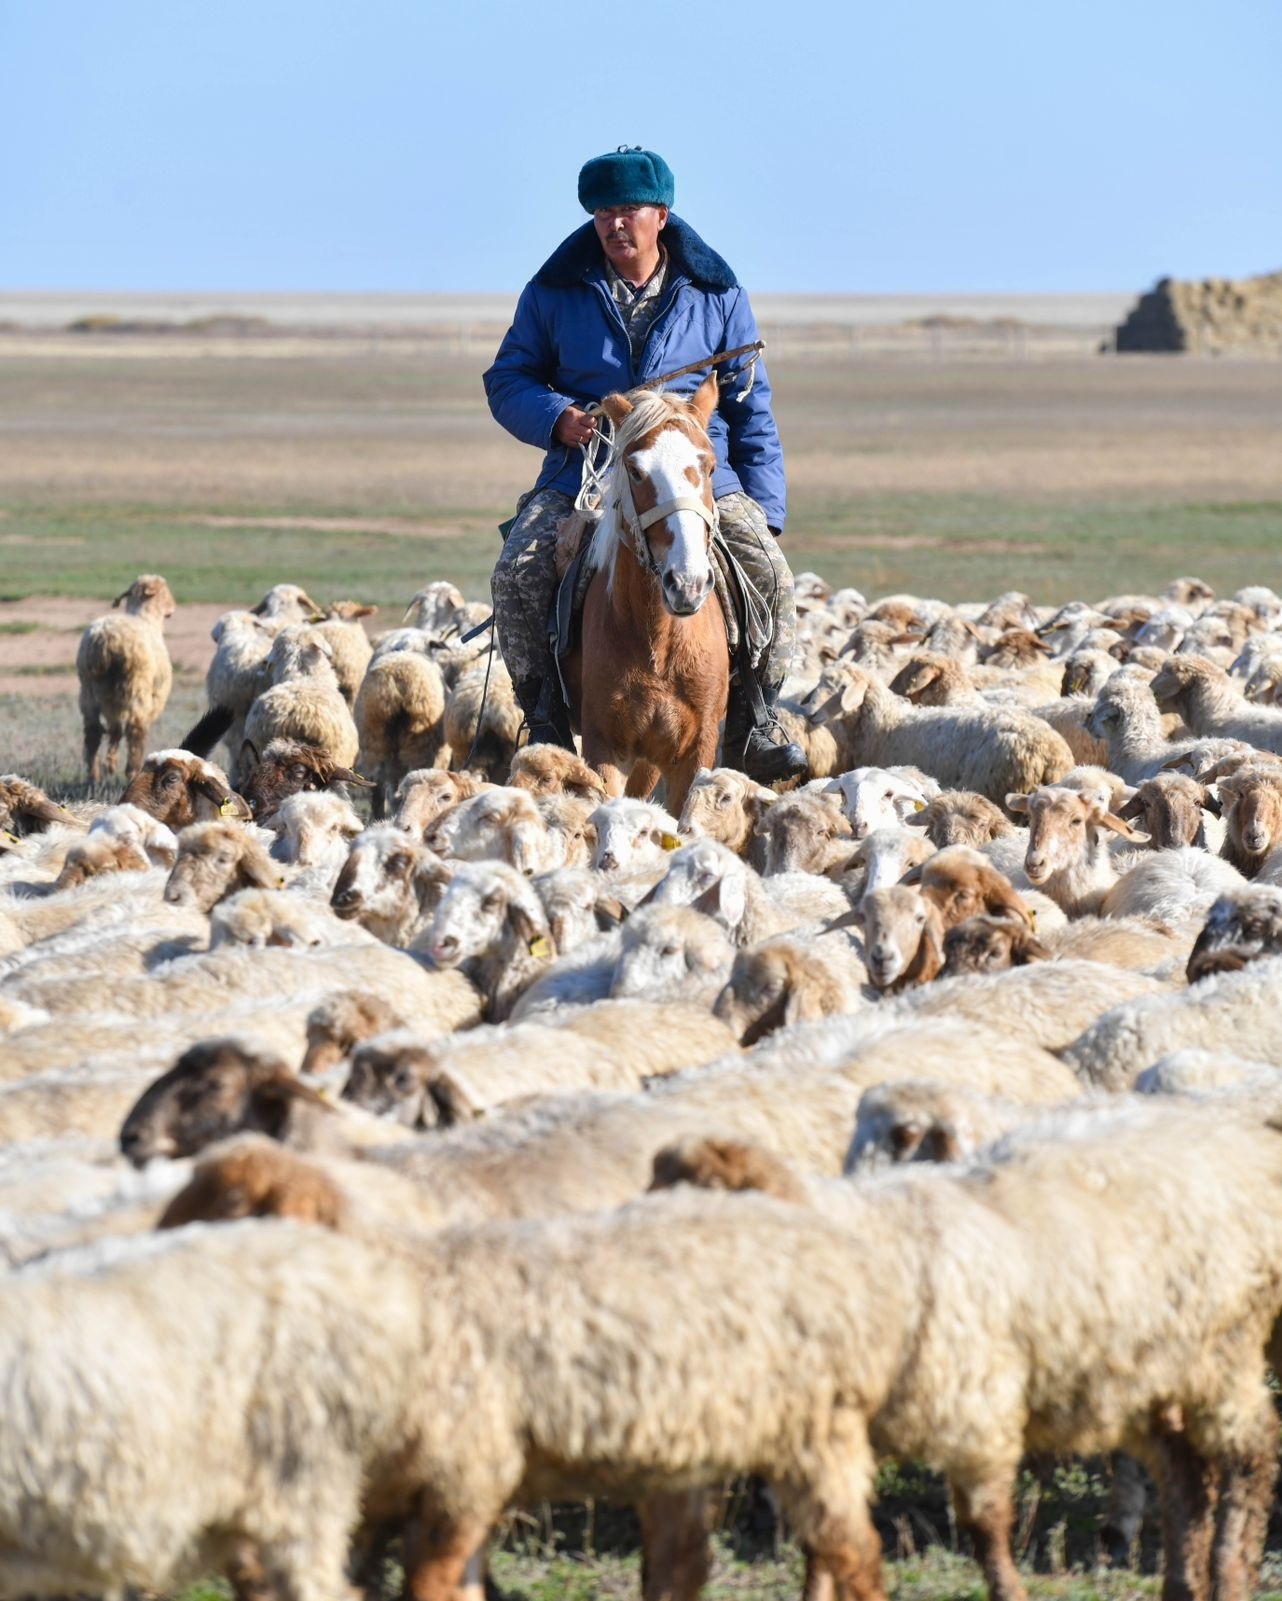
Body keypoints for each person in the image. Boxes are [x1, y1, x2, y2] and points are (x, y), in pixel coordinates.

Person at [483, 145, 807, 785]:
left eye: (628, 211)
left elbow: (750, 408)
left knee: (771, 577)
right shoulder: (553, 292)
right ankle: (545, 719)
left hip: (691, 476)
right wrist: (555, 417)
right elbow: (509, 376)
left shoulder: (717, 294)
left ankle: (756, 719)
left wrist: (766, 510)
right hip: (586, 474)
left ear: (662, 214)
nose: (614, 226)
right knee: (515, 575)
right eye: (602, 213)